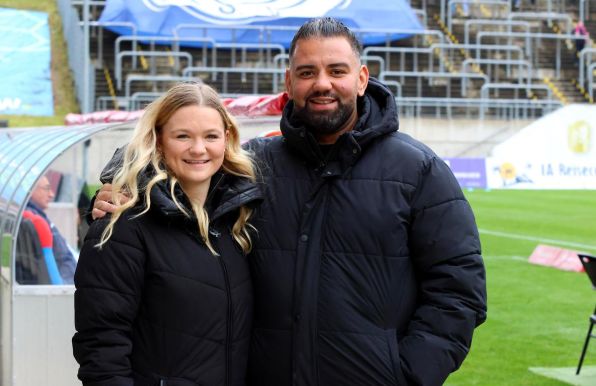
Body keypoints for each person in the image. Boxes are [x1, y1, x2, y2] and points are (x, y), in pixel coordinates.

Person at [92, 18, 487, 385]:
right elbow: (181, 163)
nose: (322, 84)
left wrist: (405, 374)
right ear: (289, 82)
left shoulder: (418, 170)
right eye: (306, 72)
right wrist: (115, 187)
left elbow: (459, 291)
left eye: (336, 71)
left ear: (362, 79)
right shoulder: (254, 164)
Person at [72, 82, 262, 385]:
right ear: (159, 140)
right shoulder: (122, 224)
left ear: (226, 140)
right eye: (182, 136)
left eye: (210, 136)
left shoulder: (238, 222)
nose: (198, 149)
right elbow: (101, 349)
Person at [22, 175, 77, 284]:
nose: (51, 194)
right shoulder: (36, 220)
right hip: (68, 282)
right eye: (46, 189)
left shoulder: (36, 215)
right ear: (31, 190)